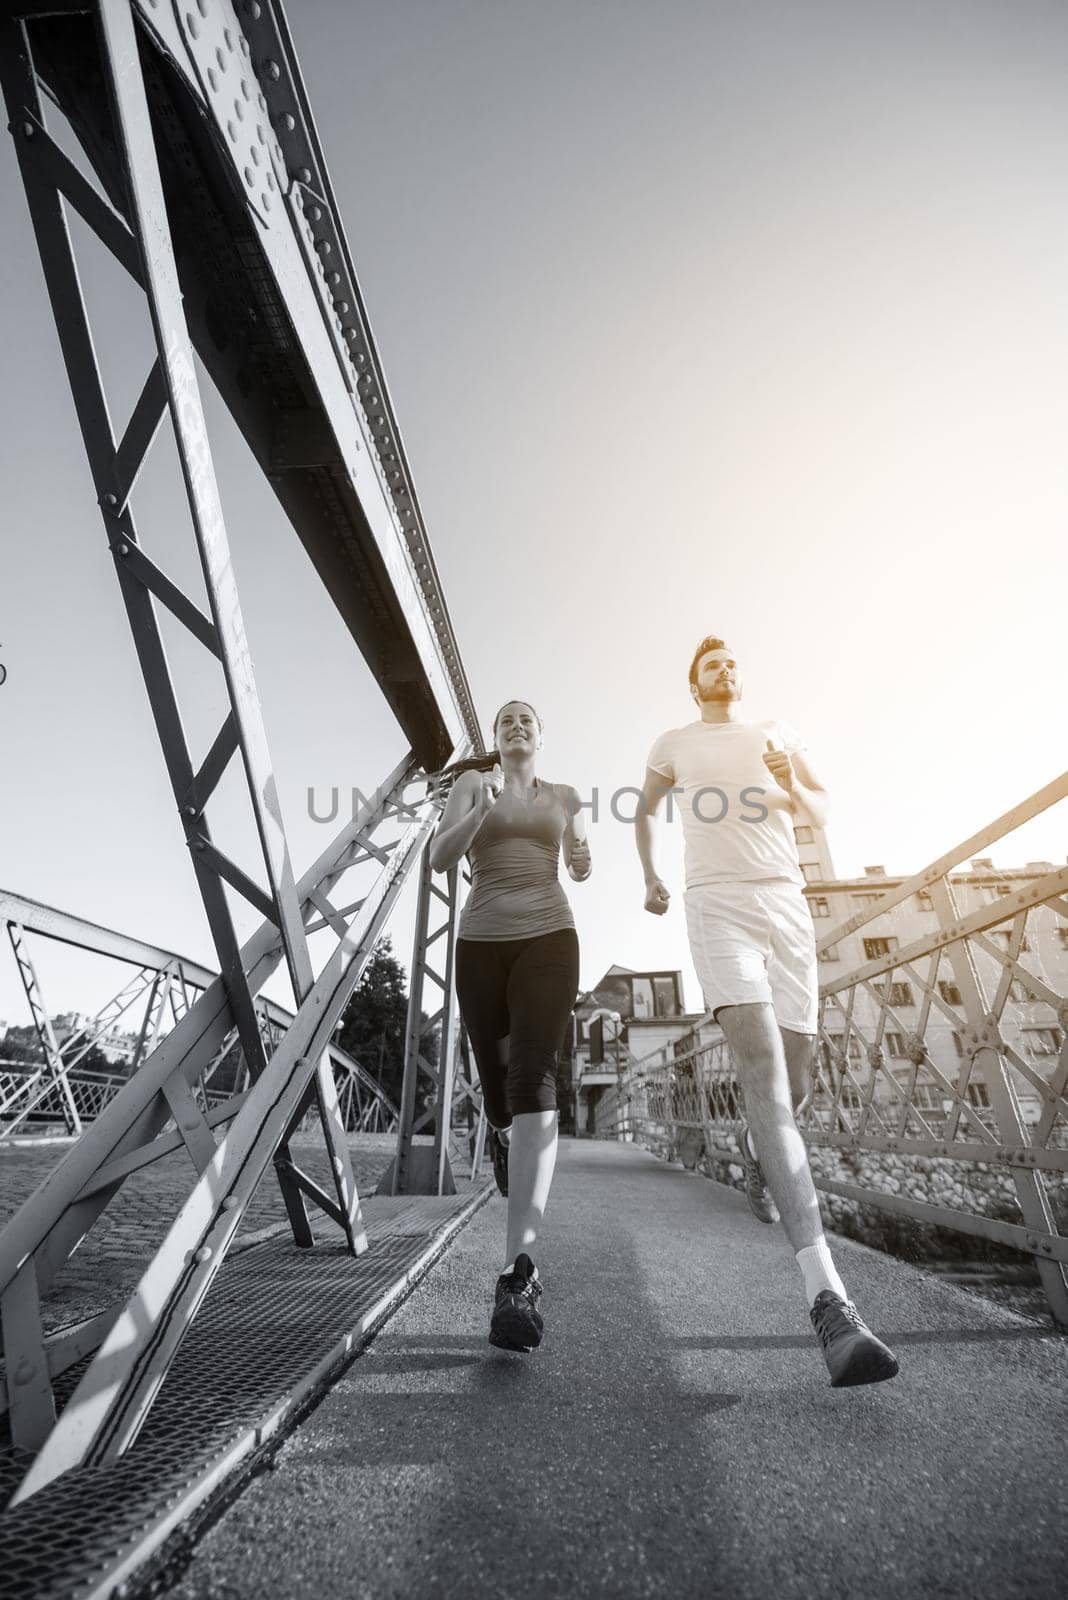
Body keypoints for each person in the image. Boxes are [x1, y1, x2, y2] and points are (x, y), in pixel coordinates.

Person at [635, 635, 899, 1387]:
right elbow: (645, 812)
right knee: (764, 1079)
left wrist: (793, 783)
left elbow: (821, 806)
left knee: (798, 1075)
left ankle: (759, 1156)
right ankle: (829, 1302)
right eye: (711, 666)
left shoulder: (777, 733)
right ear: (694, 685)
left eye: (731, 664)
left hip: (785, 901)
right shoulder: (675, 742)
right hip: (717, 906)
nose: (725, 670)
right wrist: (653, 877)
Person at [430, 700, 590, 1352]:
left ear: (541, 737)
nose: (517, 727)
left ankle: (517, 1273)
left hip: (551, 937)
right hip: (481, 942)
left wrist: (579, 852)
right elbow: (439, 858)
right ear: (496, 742)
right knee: (498, 1091)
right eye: (506, 723)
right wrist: (478, 810)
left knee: (534, 1076)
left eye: (527, 720)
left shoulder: (565, 795)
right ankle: (500, 1134)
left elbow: (580, 866)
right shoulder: (476, 785)